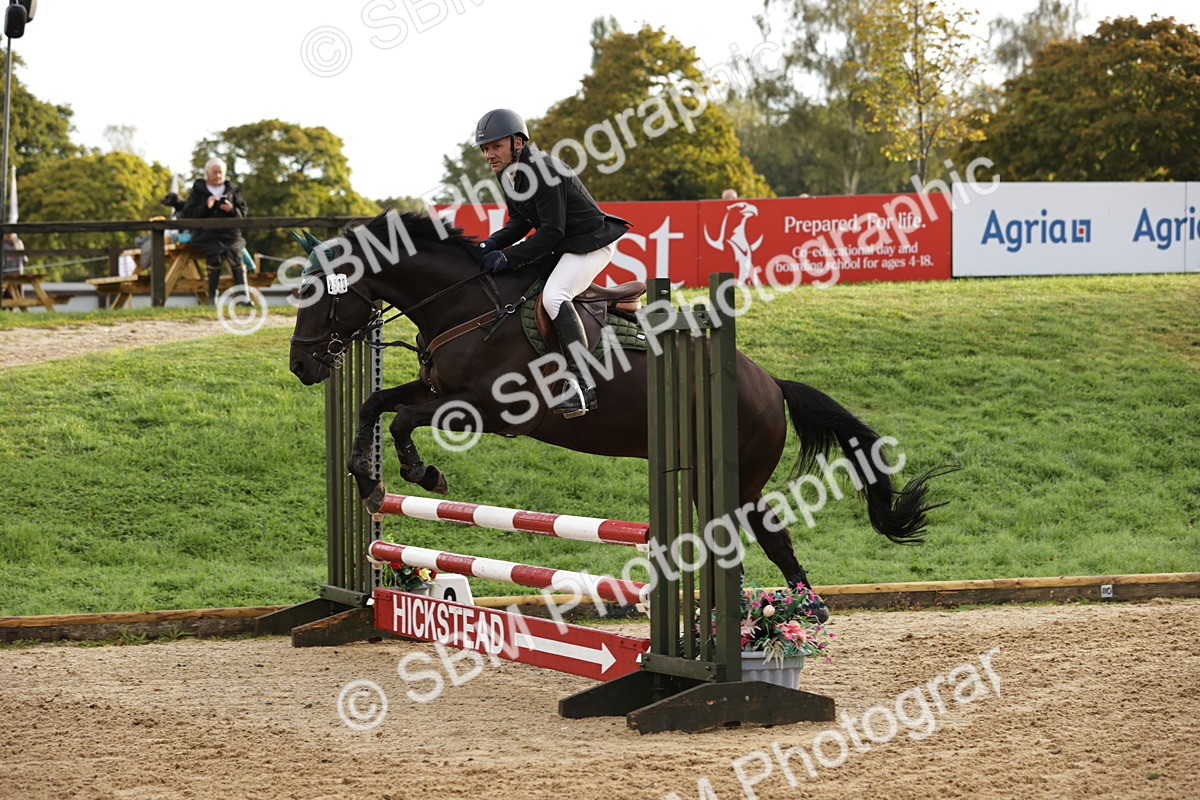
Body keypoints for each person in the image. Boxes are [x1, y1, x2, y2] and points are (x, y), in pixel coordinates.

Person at [473, 108, 629, 418]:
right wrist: (490, 243)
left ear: (518, 142)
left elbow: (552, 231)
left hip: (590, 242)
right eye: (485, 148)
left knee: (556, 295)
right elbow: (519, 221)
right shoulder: (507, 172)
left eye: (496, 146)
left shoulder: (544, 170)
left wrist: (506, 256)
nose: (489, 154)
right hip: (563, 244)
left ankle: (583, 385)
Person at [179, 158, 248, 305]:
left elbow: (243, 213)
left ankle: (243, 296)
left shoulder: (233, 189)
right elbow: (188, 213)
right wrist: (206, 206)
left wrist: (231, 209)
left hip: (231, 234)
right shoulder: (198, 190)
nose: (218, 176)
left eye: (220, 172)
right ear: (207, 174)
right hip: (206, 235)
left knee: (236, 256)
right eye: (215, 172)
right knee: (215, 255)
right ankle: (212, 297)